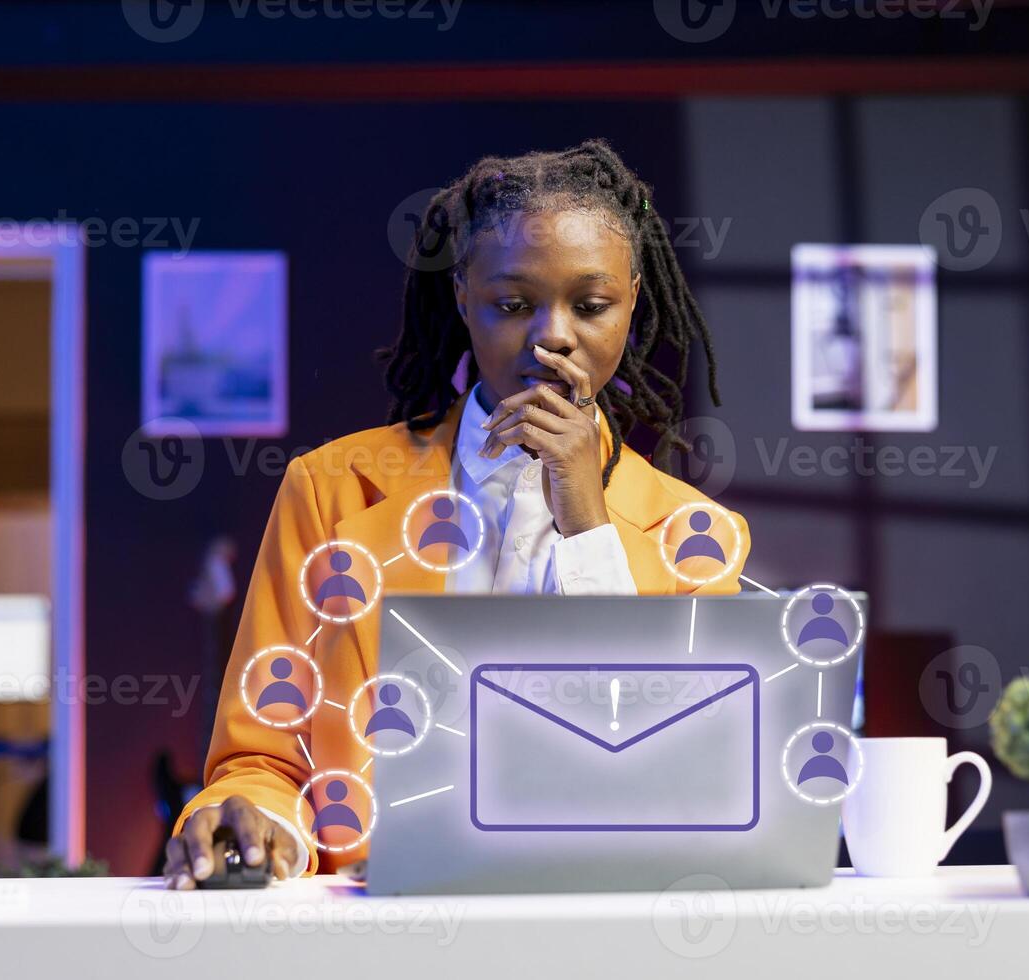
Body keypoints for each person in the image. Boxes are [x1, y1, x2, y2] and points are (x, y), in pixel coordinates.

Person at [163, 139, 752, 889]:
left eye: (592, 304)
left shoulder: (692, 535)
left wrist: (585, 517)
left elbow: (693, 775)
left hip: (605, 929)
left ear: (633, 302)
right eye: (513, 304)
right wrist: (250, 820)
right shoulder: (329, 490)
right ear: (463, 298)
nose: (553, 335)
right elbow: (262, 758)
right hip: (381, 931)